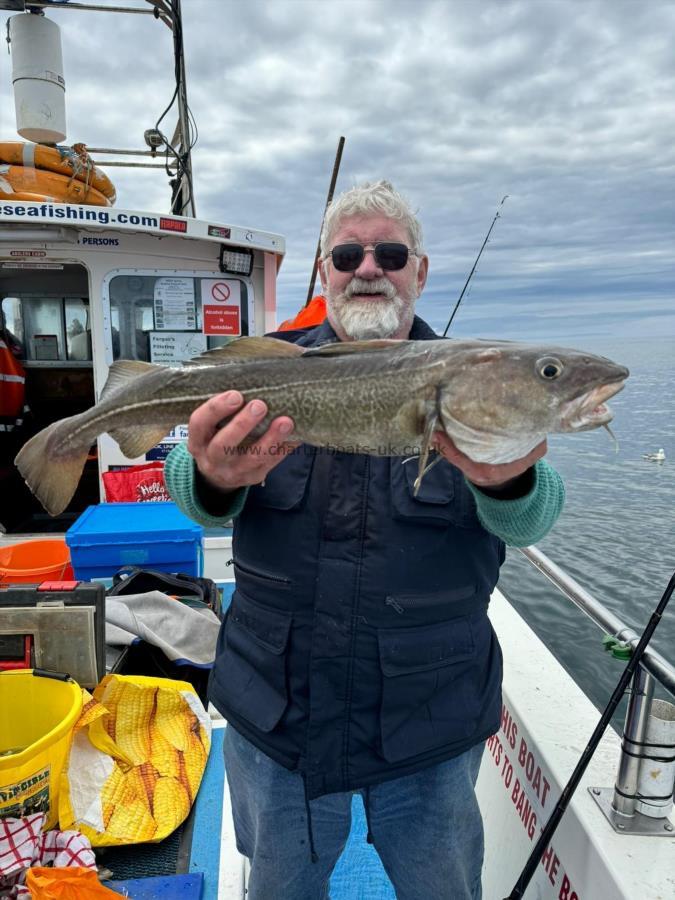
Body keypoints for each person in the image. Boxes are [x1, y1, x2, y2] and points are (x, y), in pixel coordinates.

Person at [164, 181, 565, 900]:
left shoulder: (476, 382)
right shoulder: (264, 366)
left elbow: (534, 515)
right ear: (324, 272)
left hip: (430, 725)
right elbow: (189, 488)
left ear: (420, 270)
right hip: (277, 714)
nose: (368, 267)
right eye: (347, 254)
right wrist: (211, 474)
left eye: (389, 253)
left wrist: (506, 483)